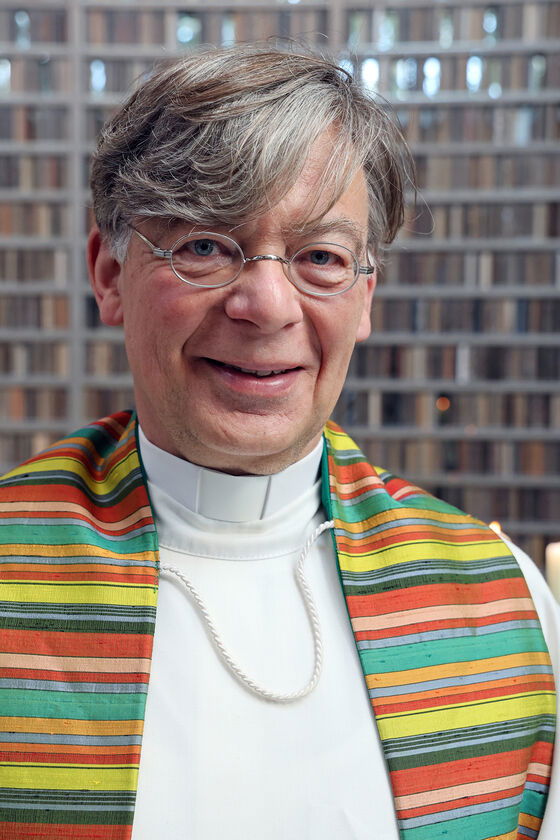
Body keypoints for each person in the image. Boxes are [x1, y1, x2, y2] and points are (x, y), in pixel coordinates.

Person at [0, 44, 558, 840]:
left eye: (320, 257)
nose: (265, 305)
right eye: (204, 246)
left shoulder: (501, 608)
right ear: (110, 274)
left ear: (365, 299)